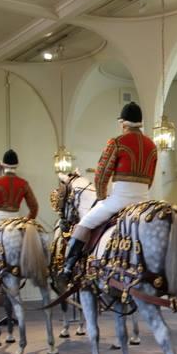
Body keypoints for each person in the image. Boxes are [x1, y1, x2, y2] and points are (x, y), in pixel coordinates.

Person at [62, 102, 158, 276]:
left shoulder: (117, 142)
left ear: (123, 123)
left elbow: (101, 173)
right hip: (145, 201)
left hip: (119, 200)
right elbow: (150, 178)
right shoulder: (152, 146)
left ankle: (68, 266)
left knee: (84, 223)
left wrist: (101, 196)